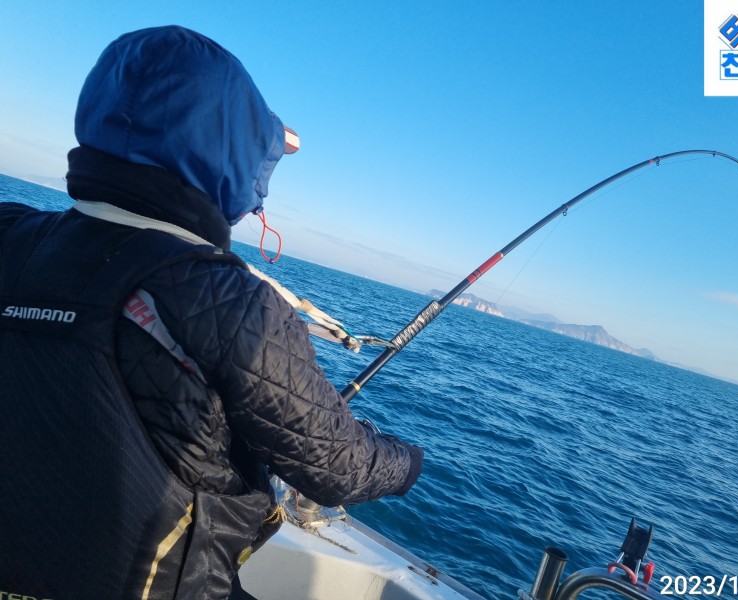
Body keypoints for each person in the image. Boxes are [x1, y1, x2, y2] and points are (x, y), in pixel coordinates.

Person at [0, 25, 423, 600]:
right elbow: (339, 466)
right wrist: (408, 462)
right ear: (226, 161)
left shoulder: (12, 231)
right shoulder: (233, 302)